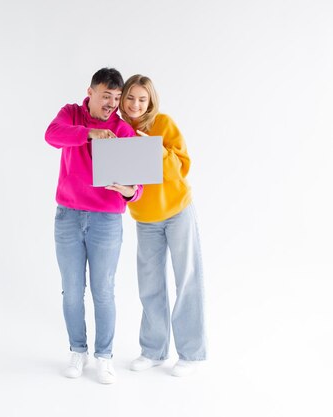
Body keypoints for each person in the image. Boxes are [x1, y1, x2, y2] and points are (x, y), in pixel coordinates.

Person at [45, 68, 143, 384]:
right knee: (71, 291)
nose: (112, 104)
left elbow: (136, 186)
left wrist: (130, 191)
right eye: (106, 97)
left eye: (116, 98)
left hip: (106, 220)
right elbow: (51, 135)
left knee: (103, 291)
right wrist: (89, 133)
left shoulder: (123, 131)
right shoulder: (71, 114)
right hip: (69, 216)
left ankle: (104, 357)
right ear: (90, 91)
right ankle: (78, 351)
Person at [119, 74, 207, 377]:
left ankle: (192, 355)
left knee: (187, 279)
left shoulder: (163, 124)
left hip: (177, 211)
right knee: (150, 286)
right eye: (130, 97)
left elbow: (182, 167)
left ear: (151, 100)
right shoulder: (116, 131)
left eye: (142, 99)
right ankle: (153, 351)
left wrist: (155, 149)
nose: (135, 104)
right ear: (122, 98)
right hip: (145, 218)